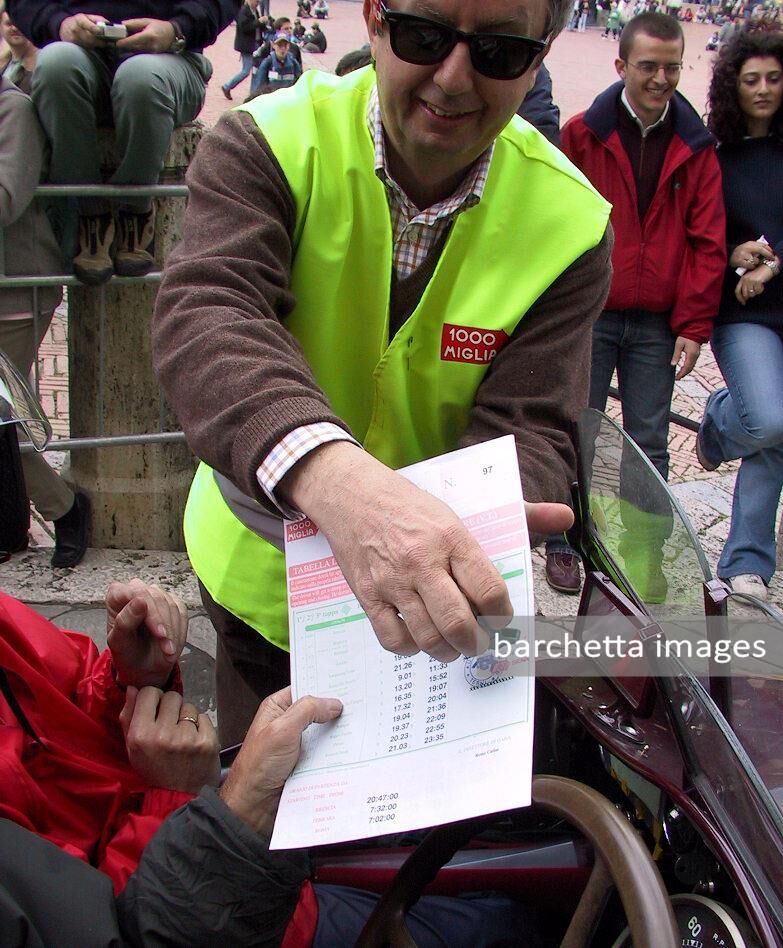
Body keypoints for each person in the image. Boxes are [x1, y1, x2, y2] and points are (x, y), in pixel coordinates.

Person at [152, 0, 614, 746]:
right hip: (257, 580)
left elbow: (531, 421)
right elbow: (209, 315)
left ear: (542, 53)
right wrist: (341, 485)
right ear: (372, 18)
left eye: (499, 52)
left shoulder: (571, 221)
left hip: (432, 607)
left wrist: (492, 517)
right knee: (263, 823)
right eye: (423, 36)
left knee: (404, 847)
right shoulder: (268, 139)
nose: (453, 77)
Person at [0, 684, 539, 946]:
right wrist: (187, 800)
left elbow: (63, 715)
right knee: (509, 925)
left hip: (213, 868)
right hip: (230, 911)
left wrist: (135, 682)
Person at [544, 12, 725, 597]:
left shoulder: (696, 146)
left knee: (647, 440)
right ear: (621, 65)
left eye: (672, 67)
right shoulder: (582, 134)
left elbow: (708, 240)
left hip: (656, 322)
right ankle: (566, 542)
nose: (661, 79)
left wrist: (693, 324)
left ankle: (644, 555)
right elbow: (557, 223)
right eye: (648, 66)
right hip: (592, 312)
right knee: (575, 429)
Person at [0, 579, 220, 892]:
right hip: (181, 885)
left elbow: (71, 695)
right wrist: (172, 803)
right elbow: (81, 923)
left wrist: (128, 680)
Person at [7, 0, 237, 285]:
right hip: (81, 54)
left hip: (172, 55)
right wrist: (58, 23)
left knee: (139, 78)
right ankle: (89, 211)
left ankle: (136, 209)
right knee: (54, 65)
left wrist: (177, 28)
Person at [696, 29, 783, 601]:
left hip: (776, 293)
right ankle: (722, 417)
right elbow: (704, 233)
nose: (763, 89)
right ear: (733, 86)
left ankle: (745, 562)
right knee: (770, 420)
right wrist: (733, 255)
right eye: (751, 79)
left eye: (774, 78)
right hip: (744, 315)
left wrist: (775, 264)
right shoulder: (715, 158)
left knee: (778, 435)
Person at [0, 74, 91, 567]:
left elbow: (7, 196)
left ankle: (65, 507)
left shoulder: (12, 110)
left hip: (15, 293)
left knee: (4, 415)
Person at [221, 0, 260, 100]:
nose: (257, 2)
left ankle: (254, 92)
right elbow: (245, 27)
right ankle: (227, 86)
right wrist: (259, 22)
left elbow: (257, 26)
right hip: (246, 45)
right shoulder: (244, 10)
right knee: (246, 70)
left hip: (255, 44)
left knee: (256, 69)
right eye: (256, 0)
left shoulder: (255, 11)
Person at [0, 5, 37, 94]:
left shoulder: (41, 63)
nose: (15, 28)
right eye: (9, 24)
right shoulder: (3, 67)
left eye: (20, 23)